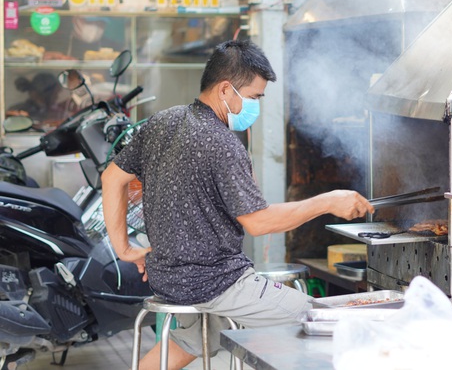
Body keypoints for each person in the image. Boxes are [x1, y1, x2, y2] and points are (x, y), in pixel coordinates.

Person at [101, 39, 373, 370]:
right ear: (226, 90)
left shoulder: (163, 121)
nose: (256, 105)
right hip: (214, 282)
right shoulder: (222, 143)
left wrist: (125, 249)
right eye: (255, 97)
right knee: (322, 321)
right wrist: (329, 201)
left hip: (169, 279)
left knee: (197, 337)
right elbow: (258, 223)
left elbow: (111, 178)